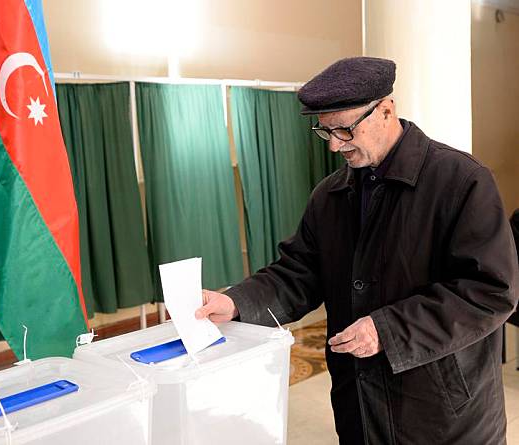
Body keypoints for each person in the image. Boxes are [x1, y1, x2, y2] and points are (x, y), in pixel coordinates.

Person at [196, 57, 519, 444]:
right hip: (361, 406)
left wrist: (387, 329)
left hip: (445, 414)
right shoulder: (330, 195)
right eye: (325, 131)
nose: (334, 145)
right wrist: (235, 303)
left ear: (386, 111)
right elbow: (298, 273)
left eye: (345, 130)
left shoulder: (461, 181)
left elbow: (490, 291)